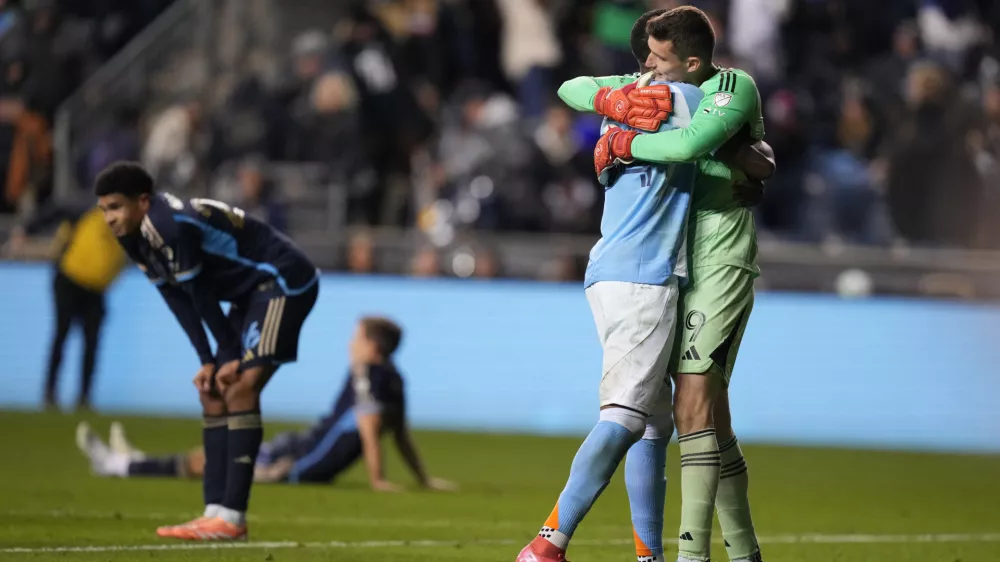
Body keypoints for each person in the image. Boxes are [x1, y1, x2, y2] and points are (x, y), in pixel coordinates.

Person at [562, 7, 772, 562]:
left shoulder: (730, 86)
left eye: (656, 57)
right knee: (708, 415)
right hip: (674, 259)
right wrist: (611, 100)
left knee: (691, 404)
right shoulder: (651, 84)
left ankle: (691, 556)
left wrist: (624, 145)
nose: (644, 66)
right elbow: (572, 86)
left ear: (694, 61)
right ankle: (746, 551)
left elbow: (688, 146)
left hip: (719, 254)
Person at [516, 32, 706, 562]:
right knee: (624, 416)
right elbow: (734, 144)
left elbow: (571, 87)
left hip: (613, 267)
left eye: (655, 54)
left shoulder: (625, 99)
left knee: (651, 423)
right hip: (645, 277)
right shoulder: (689, 98)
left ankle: (649, 555)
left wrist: (609, 108)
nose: (647, 61)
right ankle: (547, 543)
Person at [93, 161, 320, 541]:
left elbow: (198, 292)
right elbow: (176, 296)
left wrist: (226, 354)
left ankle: (232, 518)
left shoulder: (170, 225)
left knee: (242, 387)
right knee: (213, 391)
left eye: (115, 207)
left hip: (281, 279)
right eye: (103, 210)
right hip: (248, 292)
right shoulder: (133, 235)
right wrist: (207, 359)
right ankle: (213, 512)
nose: (109, 218)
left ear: (143, 202)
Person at [76, 316, 457, 493]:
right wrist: (424, 480)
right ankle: (129, 462)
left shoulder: (367, 375)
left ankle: (122, 464)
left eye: (355, 338)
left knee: (215, 460)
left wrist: (378, 482)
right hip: (300, 449)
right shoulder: (394, 379)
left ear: (372, 347)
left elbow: (372, 430)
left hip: (298, 463)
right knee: (214, 457)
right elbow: (399, 431)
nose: (349, 344)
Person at [8, 199, 127, 411]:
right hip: (69, 280)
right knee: (62, 334)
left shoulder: (129, 222)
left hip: (96, 288)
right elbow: (55, 210)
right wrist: (26, 230)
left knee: (91, 343)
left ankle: (84, 398)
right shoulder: (87, 208)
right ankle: (50, 393)